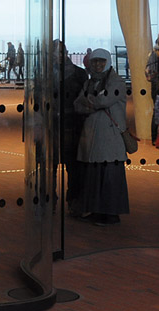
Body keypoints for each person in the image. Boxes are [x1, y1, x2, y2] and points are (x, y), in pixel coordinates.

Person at [73, 48, 130, 225]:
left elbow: (103, 101)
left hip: (109, 136)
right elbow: (77, 105)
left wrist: (88, 102)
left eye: (101, 61)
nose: (98, 65)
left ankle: (111, 213)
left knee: (109, 175)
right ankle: (98, 210)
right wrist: (92, 102)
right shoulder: (91, 83)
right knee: (96, 175)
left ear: (108, 62)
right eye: (95, 61)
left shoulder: (117, 82)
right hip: (94, 136)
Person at [52, 40, 88, 217]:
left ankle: (73, 200)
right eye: (55, 52)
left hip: (71, 125)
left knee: (73, 166)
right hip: (55, 125)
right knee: (50, 165)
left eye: (61, 52)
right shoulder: (45, 74)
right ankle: (50, 200)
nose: (59, 55)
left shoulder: (79, 74)